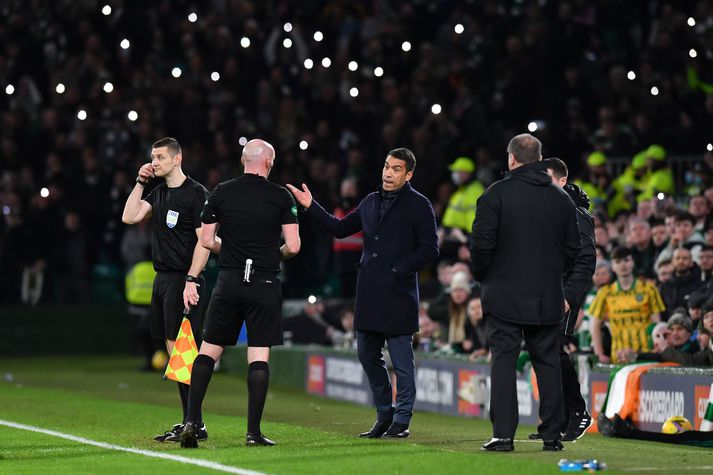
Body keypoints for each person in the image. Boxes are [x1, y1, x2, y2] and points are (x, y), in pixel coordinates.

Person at [287, 147, 438, 439]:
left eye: (396, 169)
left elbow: (430, 248)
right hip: (369, 293)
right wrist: (311, 206)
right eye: (386, 166)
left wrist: (399, 268)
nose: (388, 173)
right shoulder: (371, 201)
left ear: (408, 175)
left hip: (398, 294)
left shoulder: (419, 205)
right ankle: (385, 414)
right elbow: (341, 228)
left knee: (402, 363)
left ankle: (402, 421)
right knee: (367, 354)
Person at [180, 139, 301, 448]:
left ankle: (192, 420)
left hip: (230, 279)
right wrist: (274, 256)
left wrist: (231, 250)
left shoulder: (221, 191)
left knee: (209, 351)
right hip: (264, 283)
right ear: (269, 164)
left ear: (243, 160)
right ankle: (253, 433)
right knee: (258, 355)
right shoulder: (280, 195)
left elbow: (207, 240)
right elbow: (294, 246)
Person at [470, 134, 580, 452]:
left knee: (503, 360)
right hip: (547, 296)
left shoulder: (495, 194)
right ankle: (552, 435)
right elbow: (574, 249)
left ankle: (503, 436)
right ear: (540, 159)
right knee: (546, 362)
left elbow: (481, 246)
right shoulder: (561, 199)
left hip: (502, 295)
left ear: (511, 159)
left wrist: (484, 277)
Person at [121, 137, 210, 443]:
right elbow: (129, 216)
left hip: (182, 280)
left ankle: (194, 421)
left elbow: (205, 242)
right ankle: (191, 421)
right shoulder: (158, 192)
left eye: (159, 157)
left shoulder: (196, 194)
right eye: (152, 157)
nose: (154, 162)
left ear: (177, 159)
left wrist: (192, 279)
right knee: (175, 351)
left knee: (183, 349)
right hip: (162, 280)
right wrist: (140, 181)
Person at [538, 157, 596, 442]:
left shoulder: (575, 213)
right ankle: (557, 420)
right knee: (543, 348)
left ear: (562, 181)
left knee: (552, 346)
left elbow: (586, 259)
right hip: (546, 286)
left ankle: (577, 412)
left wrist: (570, 296)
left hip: (564, 289)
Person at [588, 246, 665, 363]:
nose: (623, 265)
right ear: (612, 266)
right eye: (618, 262)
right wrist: (599, 353)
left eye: (626, 260)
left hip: (646, 354)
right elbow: (594, 325)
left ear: (632, 262)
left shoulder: (649, 289)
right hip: (619, 356)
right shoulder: (605, 293)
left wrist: (657, 348)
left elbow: (657, 325)